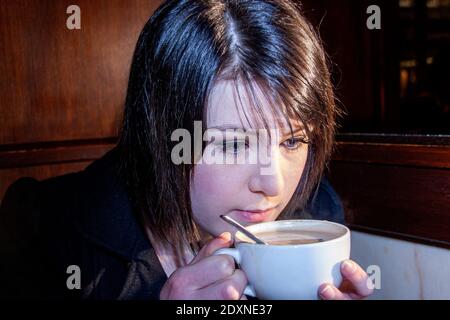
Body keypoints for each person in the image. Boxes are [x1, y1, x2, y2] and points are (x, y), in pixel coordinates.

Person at [0, 0, 373, 300]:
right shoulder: (46, 230)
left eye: (292, 141)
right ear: (160, 137)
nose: (273, 184)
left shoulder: (318, 215)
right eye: (231, 143)